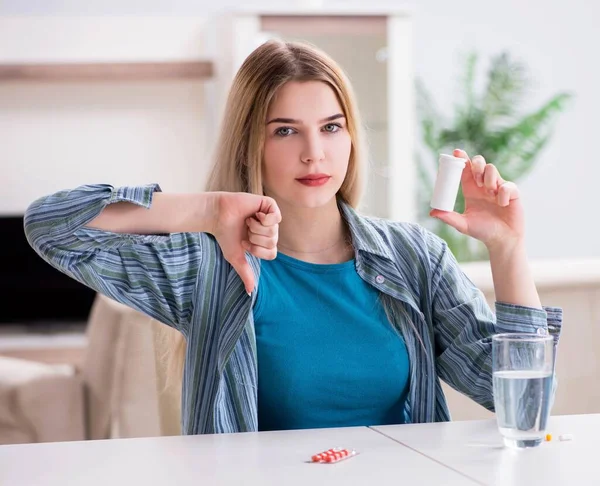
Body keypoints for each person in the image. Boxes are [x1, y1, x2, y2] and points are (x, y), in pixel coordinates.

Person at [24, 39, 562, 435]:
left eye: (330, 127)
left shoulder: (414, 259)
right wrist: (209, 208)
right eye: (286, 130)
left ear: (350, 137)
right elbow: (52, 225)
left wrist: (506, 247)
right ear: (249, 144)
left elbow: (523, 405)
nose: (314, 153)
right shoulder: (210, 266)